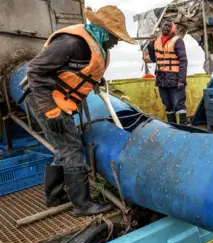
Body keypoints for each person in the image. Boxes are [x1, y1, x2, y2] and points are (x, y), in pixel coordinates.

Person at [25, 6, 137, 216]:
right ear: (103, 31)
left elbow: (78, 72)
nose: (117, 41)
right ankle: (82, 205)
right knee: (72, 149)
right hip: (48, 101)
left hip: (63, 102)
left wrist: (93, 79)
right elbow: (34, 70)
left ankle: (55, 197)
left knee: (62, 148)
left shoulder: (94, 45)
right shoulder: (70, 42)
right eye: (115, 36)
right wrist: (50, 110)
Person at [147, 20, 188, 124]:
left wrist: (181, 81)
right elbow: (153, 59)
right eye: (164, 25)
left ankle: (183, 127)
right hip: (162, 79)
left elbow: (183, 61)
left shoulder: (178, 41)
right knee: (168, 105)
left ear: (173, 29)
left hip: (175, 79)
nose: (165, 27)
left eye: (168, 26)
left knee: (179, 105)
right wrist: (150, 45)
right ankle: (173, 127)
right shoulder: (156, 42)